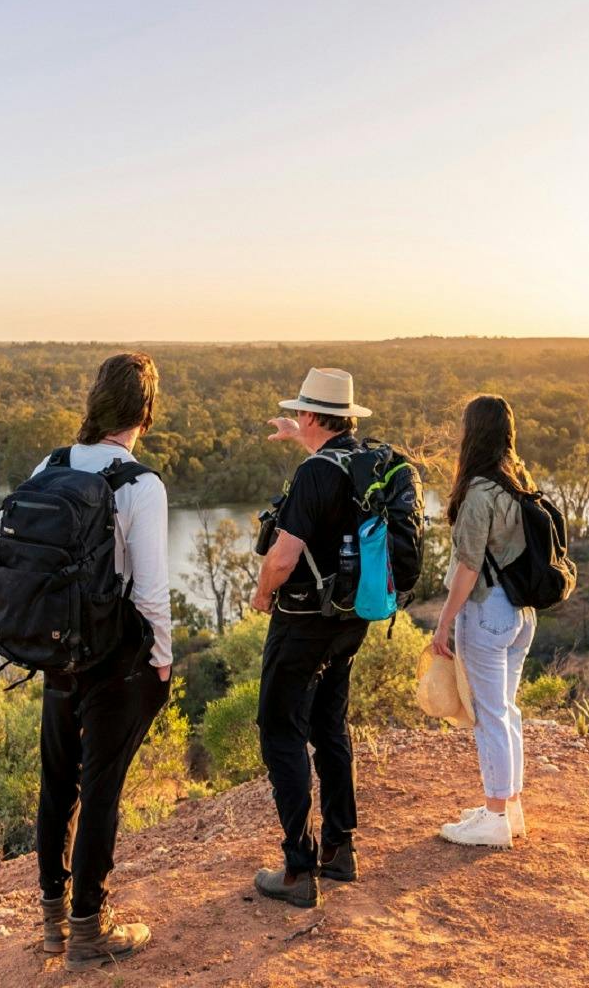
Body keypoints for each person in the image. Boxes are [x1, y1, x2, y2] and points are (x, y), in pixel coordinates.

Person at [33, 352, 172, 968]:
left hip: (56, 652)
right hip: (113, 659)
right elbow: (150, 592)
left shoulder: (50, 464)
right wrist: (162, 660)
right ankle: (90, 930)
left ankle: (53, 922)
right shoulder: (140, 484)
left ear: (94, 401)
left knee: (57, 785)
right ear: (145, 410)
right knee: (102, 788)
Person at [249, 367, 373, 907]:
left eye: (301, 414)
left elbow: (282, 557)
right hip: (350, 618)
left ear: (308, 414)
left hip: (302, 620)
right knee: (328, 723)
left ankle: (299, 871)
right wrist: (300, 432)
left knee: (280, 728)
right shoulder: (365, 462)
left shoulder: (312, 475)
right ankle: (340, 850)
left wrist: (260, 594)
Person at [430, 394, 536, 848]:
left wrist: (443, 623)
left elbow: (468, 567)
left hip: (488, 612)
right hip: (521, 612)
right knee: (505, 711)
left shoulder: (478, 492)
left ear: (473, 434)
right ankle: (507, 808)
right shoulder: (518, 480)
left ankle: (494, 820)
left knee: (489, 716)